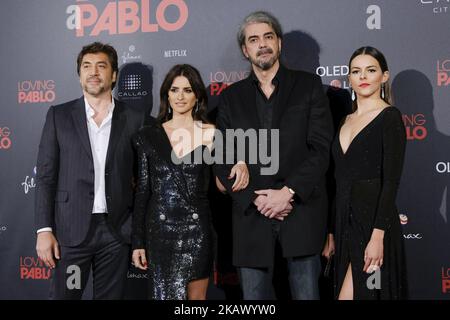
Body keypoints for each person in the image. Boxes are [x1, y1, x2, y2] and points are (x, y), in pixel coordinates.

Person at [214, 11, 334, 300]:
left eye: (268, 37)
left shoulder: (308, 86)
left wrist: (288, 192)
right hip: (251, 217)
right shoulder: (231, 97)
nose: (262, 44)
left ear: (279, 43)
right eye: (254, 40)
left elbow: (320, 149)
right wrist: (257, 198)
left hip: (301, 212)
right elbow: (222, 158)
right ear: (245, 50)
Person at [35, 42, 144, 299]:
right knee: (67, 296)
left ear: (114, 75)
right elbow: (45, 176)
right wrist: (44, 230)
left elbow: (142, 183)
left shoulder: (135, 119)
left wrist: (137, 235)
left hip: (115, 233)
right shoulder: (58, 116)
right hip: (71, 236)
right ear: (79, 74)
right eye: (87, 66)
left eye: (101, 66)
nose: (93, 72)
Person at [131, 64, 249, 300]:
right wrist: (138, 242)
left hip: (197, 231)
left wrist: (240, 163)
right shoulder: (147, 136)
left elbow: (221, 181)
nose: (180, 96)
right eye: (174, 90)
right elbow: (143, 191)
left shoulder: (211, 133)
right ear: (167, 94)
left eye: (187, 90)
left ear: (197, 96)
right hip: (160, 233)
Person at [322, 46, 408, 300]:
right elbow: (337, 181)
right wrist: (331, 231)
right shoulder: (344, 121)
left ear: (384, 76)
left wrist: (378, 236)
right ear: (349, 78)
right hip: (344, 224)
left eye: (371, 70)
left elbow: (391, 182)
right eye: (356, 71)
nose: (363, 77)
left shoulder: (389, 117)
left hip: (374, 226)